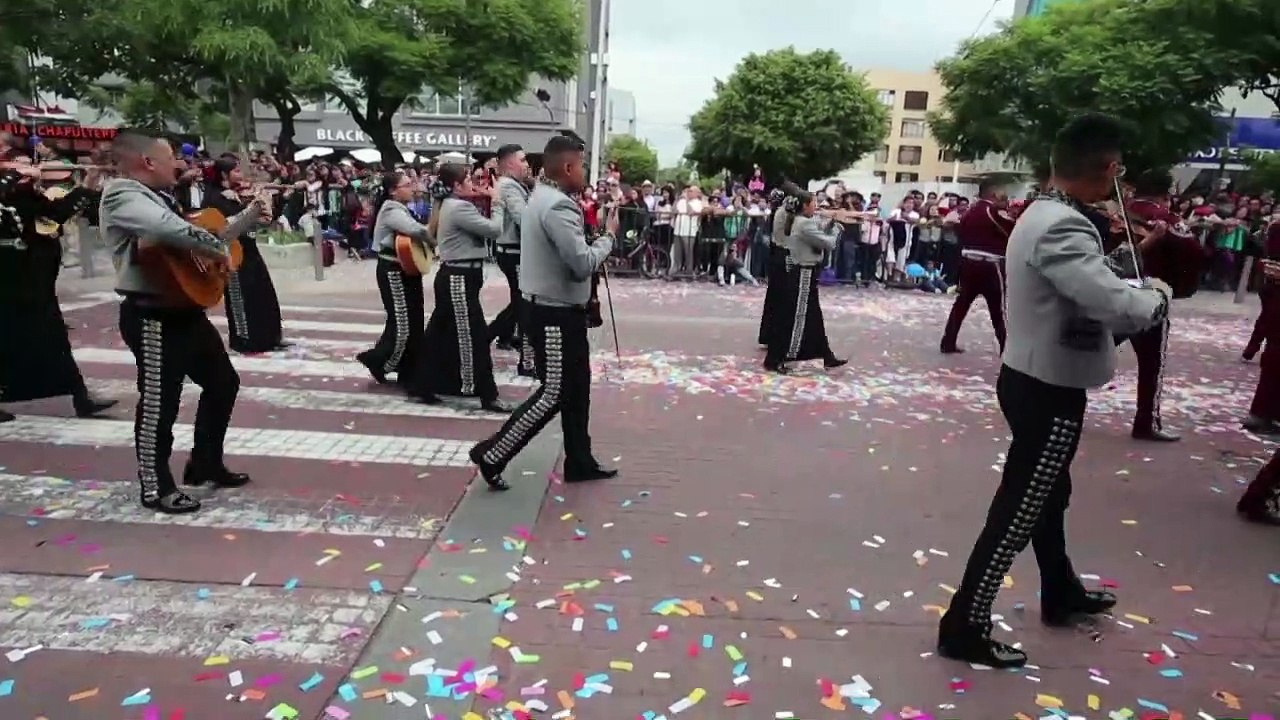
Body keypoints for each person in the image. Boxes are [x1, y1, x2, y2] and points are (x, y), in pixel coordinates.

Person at [937, 114, 1171, 669]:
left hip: (1034, 374)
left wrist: (1115, 270)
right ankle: (964, 621)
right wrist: (1155, 294)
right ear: (1109, 169)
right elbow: (1113, 303)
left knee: (1048, 496)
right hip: (1048, 386)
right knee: (1020, 507)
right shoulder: (1063, 224)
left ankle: (1060, 590)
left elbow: (1081, 282)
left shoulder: (1048, 213)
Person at [99, 129, 262, 513]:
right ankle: (156, 487)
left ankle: (205, 462)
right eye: (172, 156)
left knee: (223, 383)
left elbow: (203, 237)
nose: (180, 163)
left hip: (183, 309)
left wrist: (250, 216)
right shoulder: (123, 193)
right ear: (148, 161)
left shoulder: (161, 197)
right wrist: (215, 247)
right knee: (160, 404)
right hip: (152, 314)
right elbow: (166, 230)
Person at [469, 135, 618, 490]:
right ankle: (493, 454)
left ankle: (580, 460)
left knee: (578, 388)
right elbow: (582, 263)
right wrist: (608, 238)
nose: (584, 172)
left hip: (558, 309)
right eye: (581, 165)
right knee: (554, 393)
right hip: (554, 315)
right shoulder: (558, 206)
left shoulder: (544, 197)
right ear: (568, 167)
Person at [0, 150, 116, 424]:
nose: (29, 170)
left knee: (55, 339)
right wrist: (13, 175)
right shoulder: (6, 190)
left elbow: (54, 215)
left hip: (31, 282)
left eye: (29, 164)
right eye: (21, 164)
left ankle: (80, 397)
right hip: (4, 284)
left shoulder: (27, 196)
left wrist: (87, 184)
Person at [1105, 170, 1202, 442]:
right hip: (1149, 296)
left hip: (1114, 291)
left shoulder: (1119, 211)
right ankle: (1145, 422)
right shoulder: (1167, 219)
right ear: (1165, 192)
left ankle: (1062, 400)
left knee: (1092, 347)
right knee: (1151, 365)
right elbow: (1193, 251)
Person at [408, 164, 511, 412]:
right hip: (459, 277)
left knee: (439, 333)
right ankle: (488, 394)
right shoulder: (459, 207)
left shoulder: (449, 205)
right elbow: (495, 230)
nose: (472, 184)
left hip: (457, 275)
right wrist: (498, 203)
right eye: (468, 180)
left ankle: (423, 384)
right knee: (473, 335)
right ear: (455, 185)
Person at [356, 171, 434, 386]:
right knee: (402, 322)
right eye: (406, 185)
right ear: (393, 190)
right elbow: (415, 230)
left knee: (412, 319)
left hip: (405, 268)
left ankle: (408, 368)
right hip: (393, 270)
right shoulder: (391, 208)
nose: (412, 188)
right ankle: (380, 362)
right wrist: (434, 233)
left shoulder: (402, 208)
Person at [201, 158, 286, 354]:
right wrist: (253, 209)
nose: (241, 176)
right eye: (236, 171)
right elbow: (225, 229)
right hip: (232, 254)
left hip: (250, 249)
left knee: (263, 296)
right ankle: (244, 340)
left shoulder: (234, 196)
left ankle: (269, 338)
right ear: (224, 174)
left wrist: (273, 204)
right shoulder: (214, 199)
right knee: (241, 298)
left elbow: (255, 223)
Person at [762, 190, 849, 374]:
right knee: (793, 318)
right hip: (802, 272)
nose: (816, 207)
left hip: (805, 272)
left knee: (814, 317)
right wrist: (837, 229)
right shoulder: (802, 223)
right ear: (804, 205)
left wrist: (830, 223)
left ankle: (826, 355)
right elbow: (828, 243)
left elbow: (817, 235)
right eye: (813, 203)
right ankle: (776, 358)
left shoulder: (800, 221)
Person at [939, 180, 1015, 354]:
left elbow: (960, 232)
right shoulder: (993, 211)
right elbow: (1011, 231)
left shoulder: (969, 212)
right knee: (998, 309)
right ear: (993, 194)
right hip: (990, 264)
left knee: (961, 304)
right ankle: (1007, 348)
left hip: (968, 262)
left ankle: (948, 341)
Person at [485, 144, 537, 377]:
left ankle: (496, 335)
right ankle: (524, 358)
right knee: (523, 304)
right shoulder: (509, 187)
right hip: (513, 251)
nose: (527, 165)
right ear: (509, 163)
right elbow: (523, 218)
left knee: (519, 302)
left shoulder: (515, 186)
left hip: (514, 250)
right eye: (523, 160)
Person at [755, 188, 789, 346]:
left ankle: (769, 335)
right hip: (779, 256)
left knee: (773, 297)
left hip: (775, 256)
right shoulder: (780, 215)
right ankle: (773, 335)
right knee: (779, 298)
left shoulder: (775, 214)